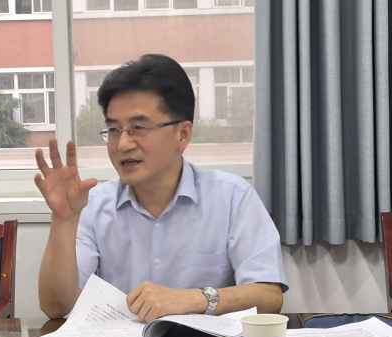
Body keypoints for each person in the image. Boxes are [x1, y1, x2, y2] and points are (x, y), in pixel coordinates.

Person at [36, 54, 287, 321]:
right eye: (114, 130)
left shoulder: (232, 197)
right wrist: (64, 219)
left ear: (183, 134)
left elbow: (269, 297)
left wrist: (194, 299)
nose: (122, 144)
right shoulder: (94, 205)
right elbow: (56, 307)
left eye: (138, 127)